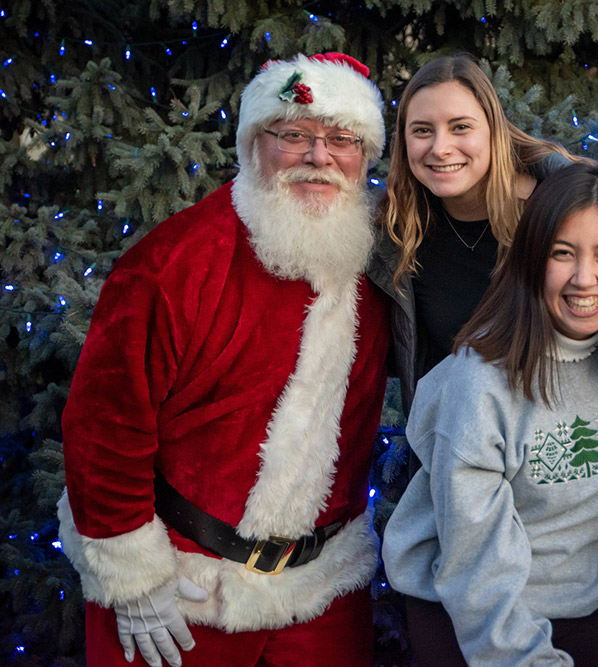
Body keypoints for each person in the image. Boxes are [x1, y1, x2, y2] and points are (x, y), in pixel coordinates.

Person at [57, 53, 389, 667]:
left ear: (364, 154)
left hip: (322, 602)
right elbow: (104, 423)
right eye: (292, 135)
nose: (319, 156)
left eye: (342, 139)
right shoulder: (175, 262)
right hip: (181, 598)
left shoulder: (381, 262)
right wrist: (133, 578)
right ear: (251, 144)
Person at [382, 162, 598, 666]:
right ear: (530, 259)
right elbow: (475, 564)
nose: (583, 279)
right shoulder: (481, 382)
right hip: (470, 606)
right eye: (562, 253)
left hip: (590, 594)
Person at [367, 52, 577, 415]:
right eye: (422, 130)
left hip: (563, 438)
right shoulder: (398, 232)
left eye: (460, 127)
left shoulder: (560, 212)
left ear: (493, 130)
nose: (440, 148)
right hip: (453, 445)